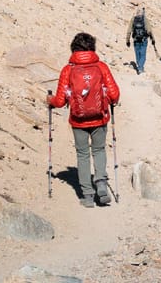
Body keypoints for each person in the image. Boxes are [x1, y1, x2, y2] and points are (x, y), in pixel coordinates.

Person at [48, 32, 120, 207]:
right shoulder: (101, 67)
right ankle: (101, 183)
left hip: (78, 120)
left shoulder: (68, 70)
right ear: (92, 48)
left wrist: (48, 100)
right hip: (100, 118)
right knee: (99, 150)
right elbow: (114, 94)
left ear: (74, 48)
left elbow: (59, 101)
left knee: (82, 154)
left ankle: (87, 195)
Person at [125, 7, 156, 74]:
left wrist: (127, 40)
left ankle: (139, 66)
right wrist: (153, 39)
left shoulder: (133, 19)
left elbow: (129, 30)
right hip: (143, 40)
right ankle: (140, 68)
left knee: (137, 54)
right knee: (143, 55)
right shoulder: (145, 19)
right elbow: (149, 30)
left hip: (136, 40)